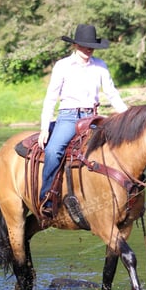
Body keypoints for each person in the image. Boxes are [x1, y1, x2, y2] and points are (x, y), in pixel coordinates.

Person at [38, 24, 128, 216]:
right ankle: (47, 197)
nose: (89, 49)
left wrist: (128, 118)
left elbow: (112, 95)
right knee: (53, 151)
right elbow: (51, 98)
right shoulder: (62, 66)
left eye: (91, 46)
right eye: (85, 45)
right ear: (76, 45)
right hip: (68, 116)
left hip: (93, 117)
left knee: (116, 148)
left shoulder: (100, 66)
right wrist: (45, 128)